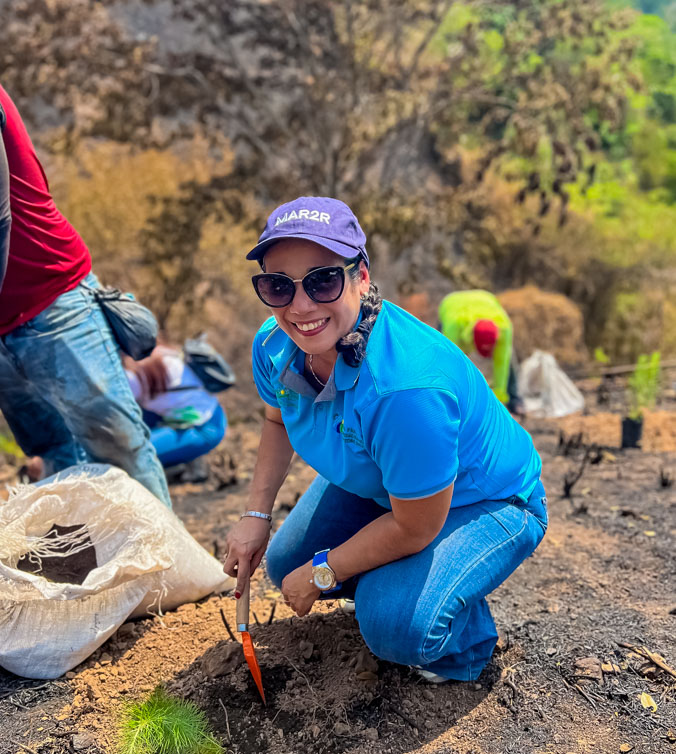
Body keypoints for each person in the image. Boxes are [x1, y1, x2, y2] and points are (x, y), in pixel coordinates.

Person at [224, 197, 547, 683]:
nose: (301, 306)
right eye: (278, 286)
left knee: (392, 624)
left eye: (323, 280)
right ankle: (403, 576)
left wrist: (324, 571)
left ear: (361, 276)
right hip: (393, 487)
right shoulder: (275, 344)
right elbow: (276, 422)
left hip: (485, 499)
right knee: (285, 561)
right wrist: (255, 515)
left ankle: (464, 640)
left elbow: (415, 527)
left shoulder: (405, 390)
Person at [0, 59, 170, 506]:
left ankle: (171, 576)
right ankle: (91, 572)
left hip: (53, 304)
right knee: (54, 454)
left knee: (118, 451)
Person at [123, 344, 227, 476]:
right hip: (210, 412)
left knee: (132, 455)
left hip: (204, 428)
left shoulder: (134, 375)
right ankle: (179, 459)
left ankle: (185, 458)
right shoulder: (153, 354)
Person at [438, 290, 523, 414]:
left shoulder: (504, 329)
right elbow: (448, 363)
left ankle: (514, 399)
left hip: (486, 299)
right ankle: (438, 396)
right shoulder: (453, 327)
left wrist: (499, 400)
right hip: (452, 304)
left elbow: (501, 364)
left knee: (508, 357)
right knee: (441, 356)